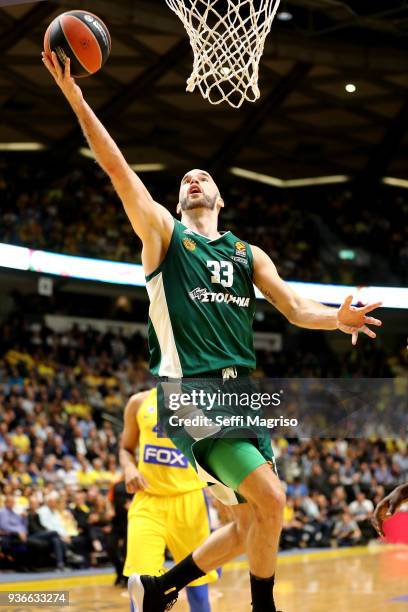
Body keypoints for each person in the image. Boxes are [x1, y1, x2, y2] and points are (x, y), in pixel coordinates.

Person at [43, 51, 383, 612]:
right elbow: (118, 170)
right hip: (191, 393)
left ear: (220, 198)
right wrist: (77, 97)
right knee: (271, 499)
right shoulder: (164, 236)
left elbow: (297, 306)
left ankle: (162, 588)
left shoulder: (248, 254)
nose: (194, 178)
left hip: (242, 396)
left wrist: (336, 317)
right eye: (185, 180)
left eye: (204, 177)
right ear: (179, 201)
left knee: (253, 519)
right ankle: (262, 607)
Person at [120, 389, 218, 612]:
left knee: (198, 590)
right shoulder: (138, 402)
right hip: (148, 500)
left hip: (190, 500)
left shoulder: (206, 403)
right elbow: (125, 449)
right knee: (140, 588)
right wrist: (128, 467)